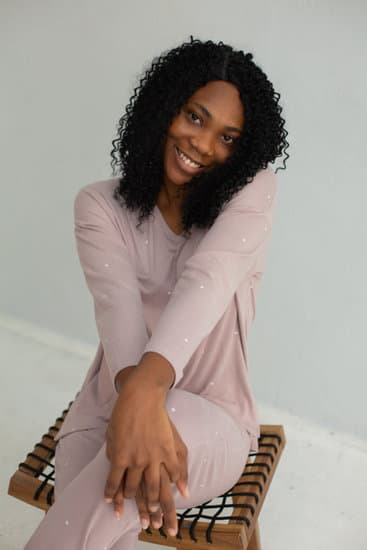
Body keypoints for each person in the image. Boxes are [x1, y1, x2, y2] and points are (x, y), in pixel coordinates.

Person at [24, 37, 289, 550]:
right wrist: (138, 398)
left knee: (105, 498)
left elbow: (206, 282)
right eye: (195, 117)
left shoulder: (251, 192)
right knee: (106, 509)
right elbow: (118, 316)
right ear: (164, 107)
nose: (205, 145)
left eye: (228, 137)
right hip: (108, 407)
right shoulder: (99, 206)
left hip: (211, 413)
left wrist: (149, 394)